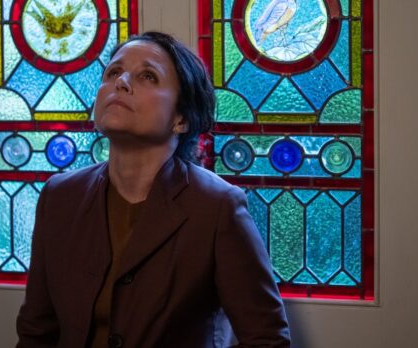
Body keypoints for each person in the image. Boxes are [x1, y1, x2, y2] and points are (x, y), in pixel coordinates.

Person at [16, 31, 290, 347]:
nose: (121, 82)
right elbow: (36, 333)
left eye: (148, 76)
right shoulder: (60, 196)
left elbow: (266, 340)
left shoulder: (217, 207)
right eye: (113, 72)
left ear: (181, 119)